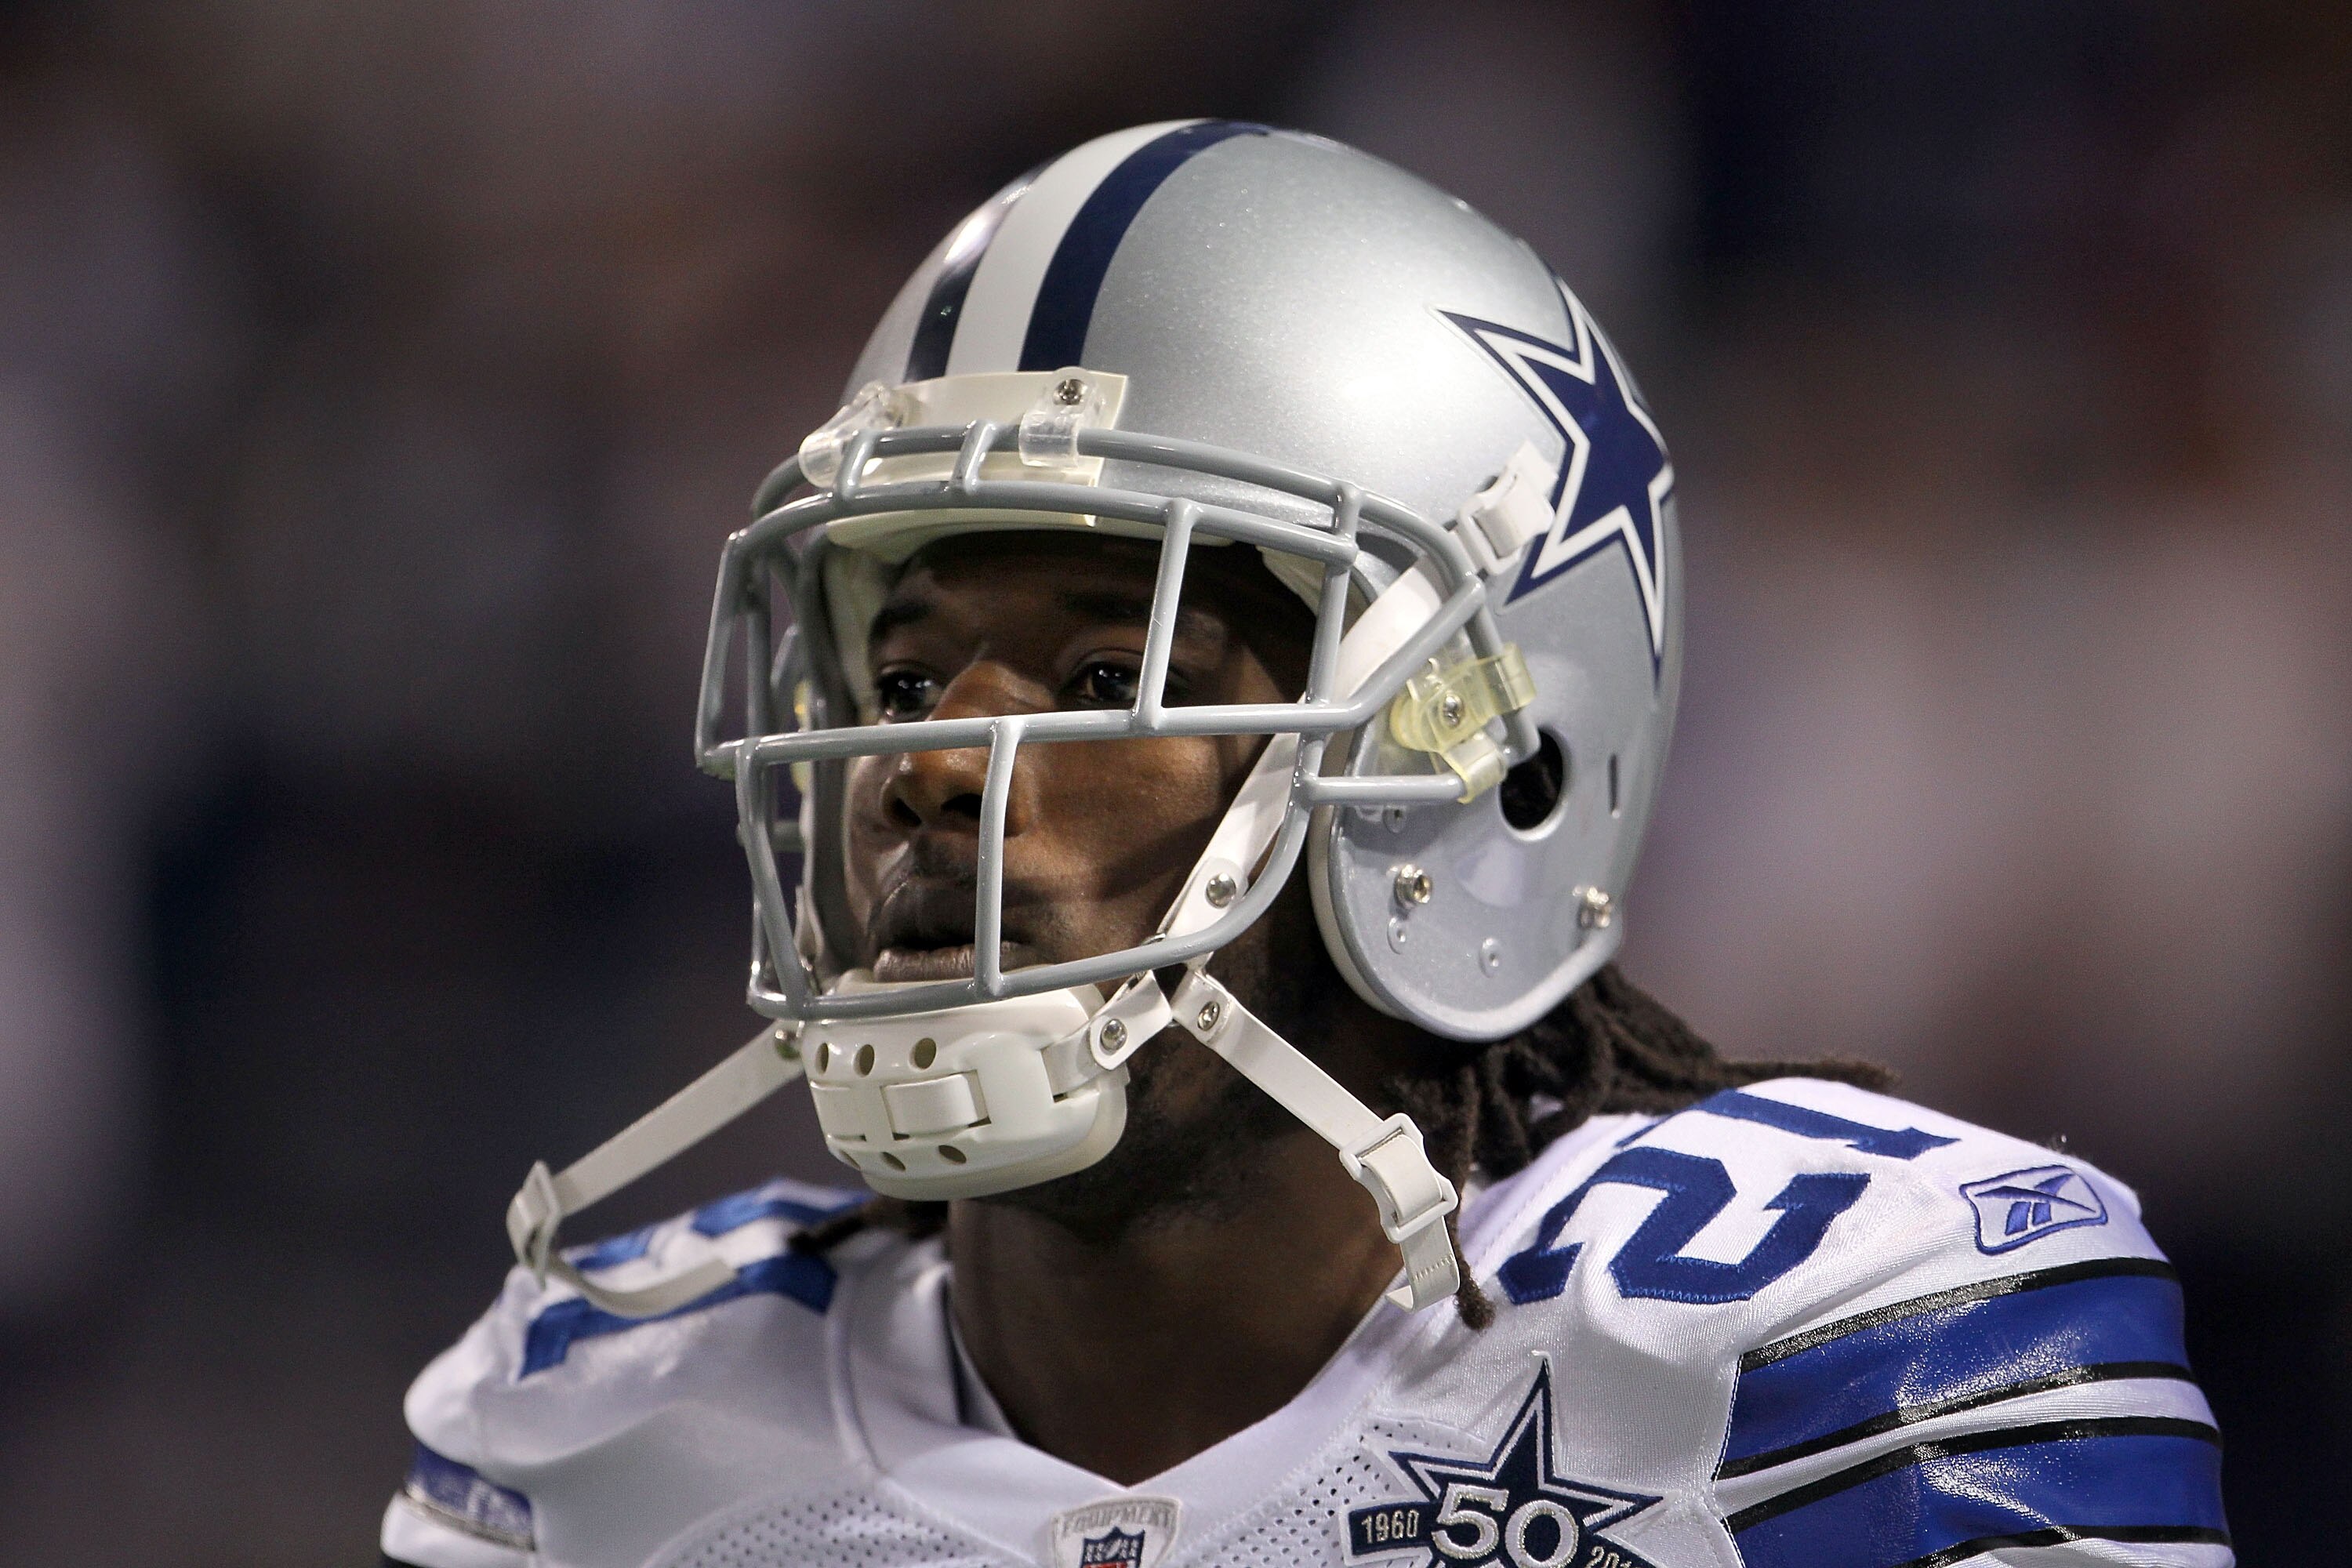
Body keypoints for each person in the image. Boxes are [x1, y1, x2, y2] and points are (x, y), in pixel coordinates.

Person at [381, 122, 2230, 1568]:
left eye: (1109, 668)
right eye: (900, 667)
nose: (927, 766)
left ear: (1481, 757)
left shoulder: (1827, 1355)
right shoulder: (602, 1420)